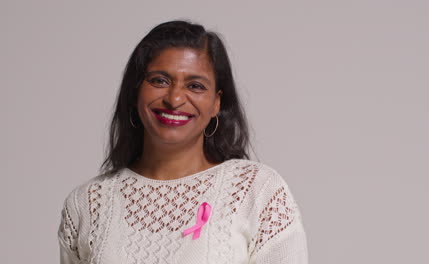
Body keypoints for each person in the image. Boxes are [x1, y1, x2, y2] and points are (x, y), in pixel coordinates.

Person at [58, 20, 308, 264]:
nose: (175, 98)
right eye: (159, 80)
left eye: (195, 85)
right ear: (135, 91)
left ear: (216, 103)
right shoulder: (87, 203)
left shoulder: (257, 191)